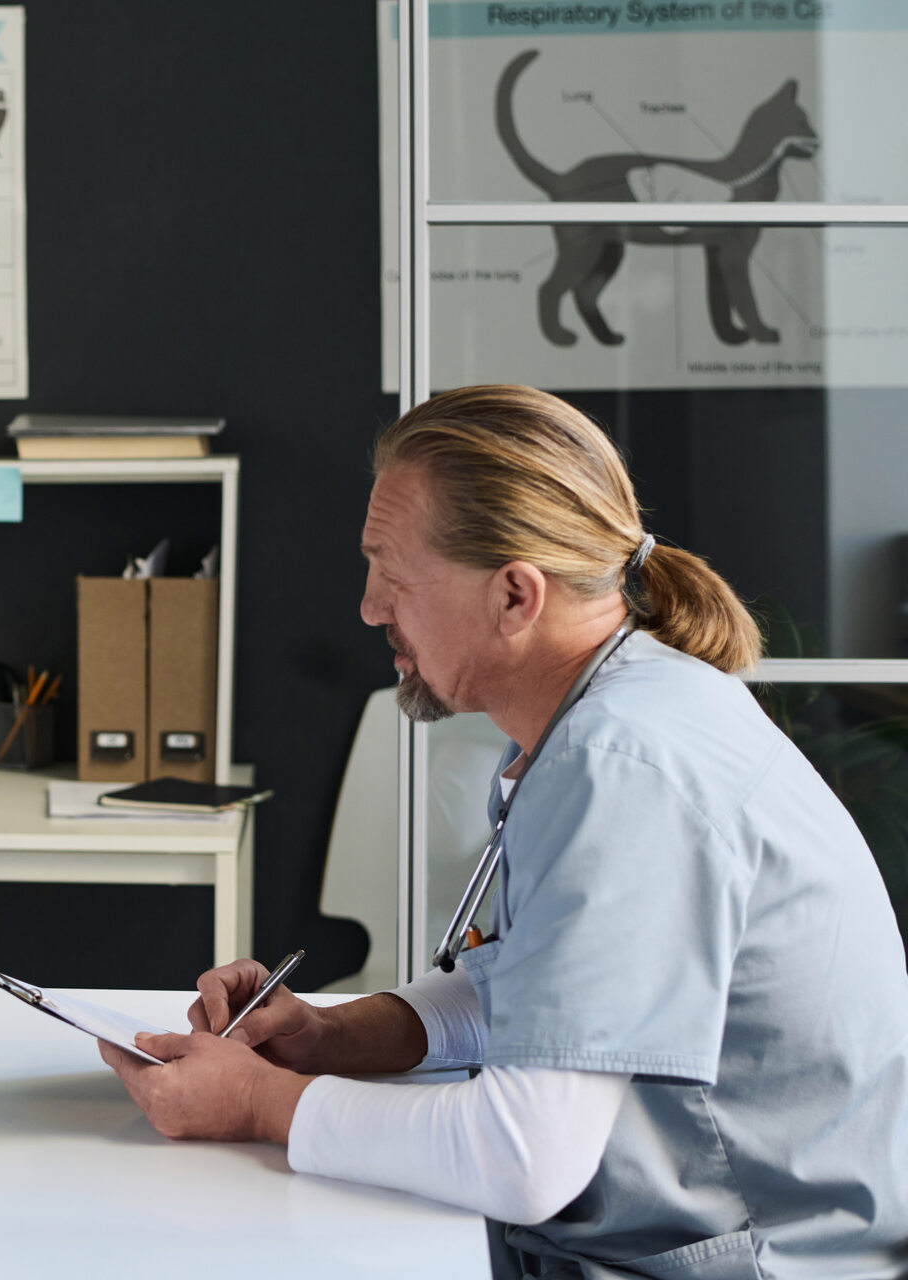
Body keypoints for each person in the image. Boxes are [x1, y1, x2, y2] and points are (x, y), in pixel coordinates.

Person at [101, 386, 908, 1278]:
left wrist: (261, 1103)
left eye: (391, 574)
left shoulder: (625, 766)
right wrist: (328, 1038)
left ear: (515, 597)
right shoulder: (618, 712)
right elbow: (549, 990)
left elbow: (526, 1159)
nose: (370, 608)